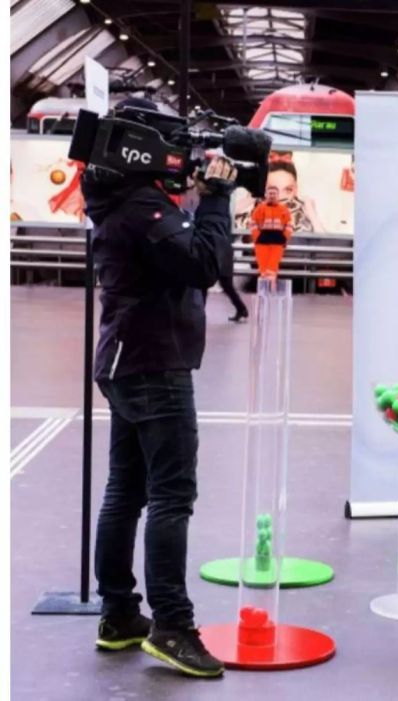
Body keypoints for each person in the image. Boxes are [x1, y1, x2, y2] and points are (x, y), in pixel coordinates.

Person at [83, 97, 236, 678]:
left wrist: (197, 198)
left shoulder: (120, 197)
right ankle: (172, 625)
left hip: (125, 359)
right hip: (154, 364)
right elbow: (202, 264)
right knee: (171, 496)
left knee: (125, 490)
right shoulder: (143, 206)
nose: (179, 153)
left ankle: (119, 612)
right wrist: (218, 199)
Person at [250, 184, 293, 279]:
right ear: (266, 195)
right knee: (263, 266)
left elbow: (289, 225)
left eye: (274, 193)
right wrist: (257, 237)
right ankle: (264, 291)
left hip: (278, 240)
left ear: (278, 195)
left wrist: (285, 237)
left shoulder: (284, 210)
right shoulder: (259, 209)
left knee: (273, 266)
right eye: (270, 193)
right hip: (262, 240)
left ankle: (270, 290)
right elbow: (253, 224)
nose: (272, 195)